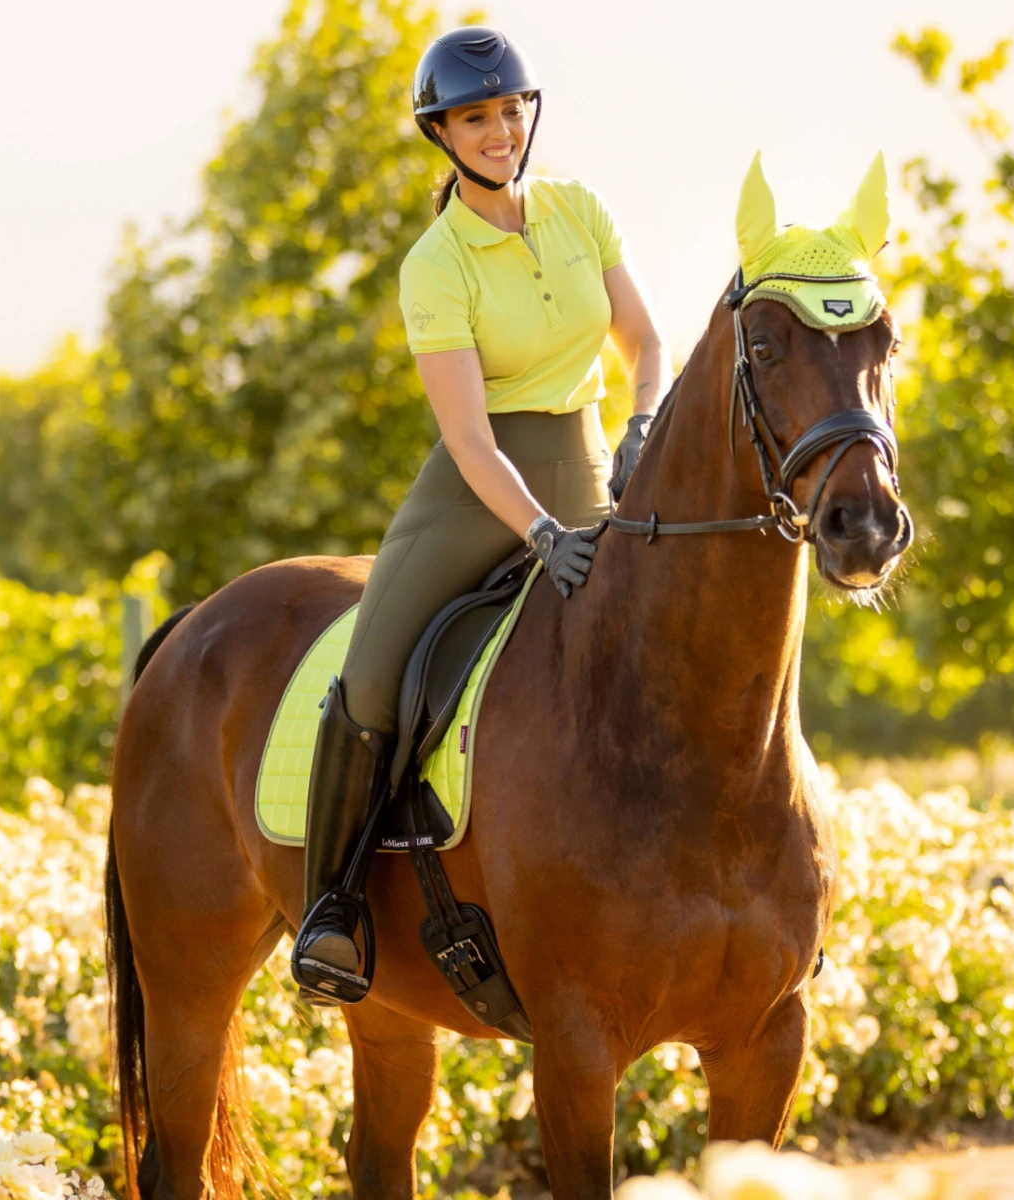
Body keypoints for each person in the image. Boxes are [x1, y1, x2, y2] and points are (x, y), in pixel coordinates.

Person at [292, 25, 670, 1001]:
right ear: (442, 133)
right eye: (477, 117)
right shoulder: (435, 263)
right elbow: (469, 437)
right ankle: (332, 906)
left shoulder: (580, 208)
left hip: (586, 463)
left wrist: (641, 421)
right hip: (476, 492)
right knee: (372, 679)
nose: (501, 130)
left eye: (511, 111)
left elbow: (645, 340)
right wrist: (542, 533)